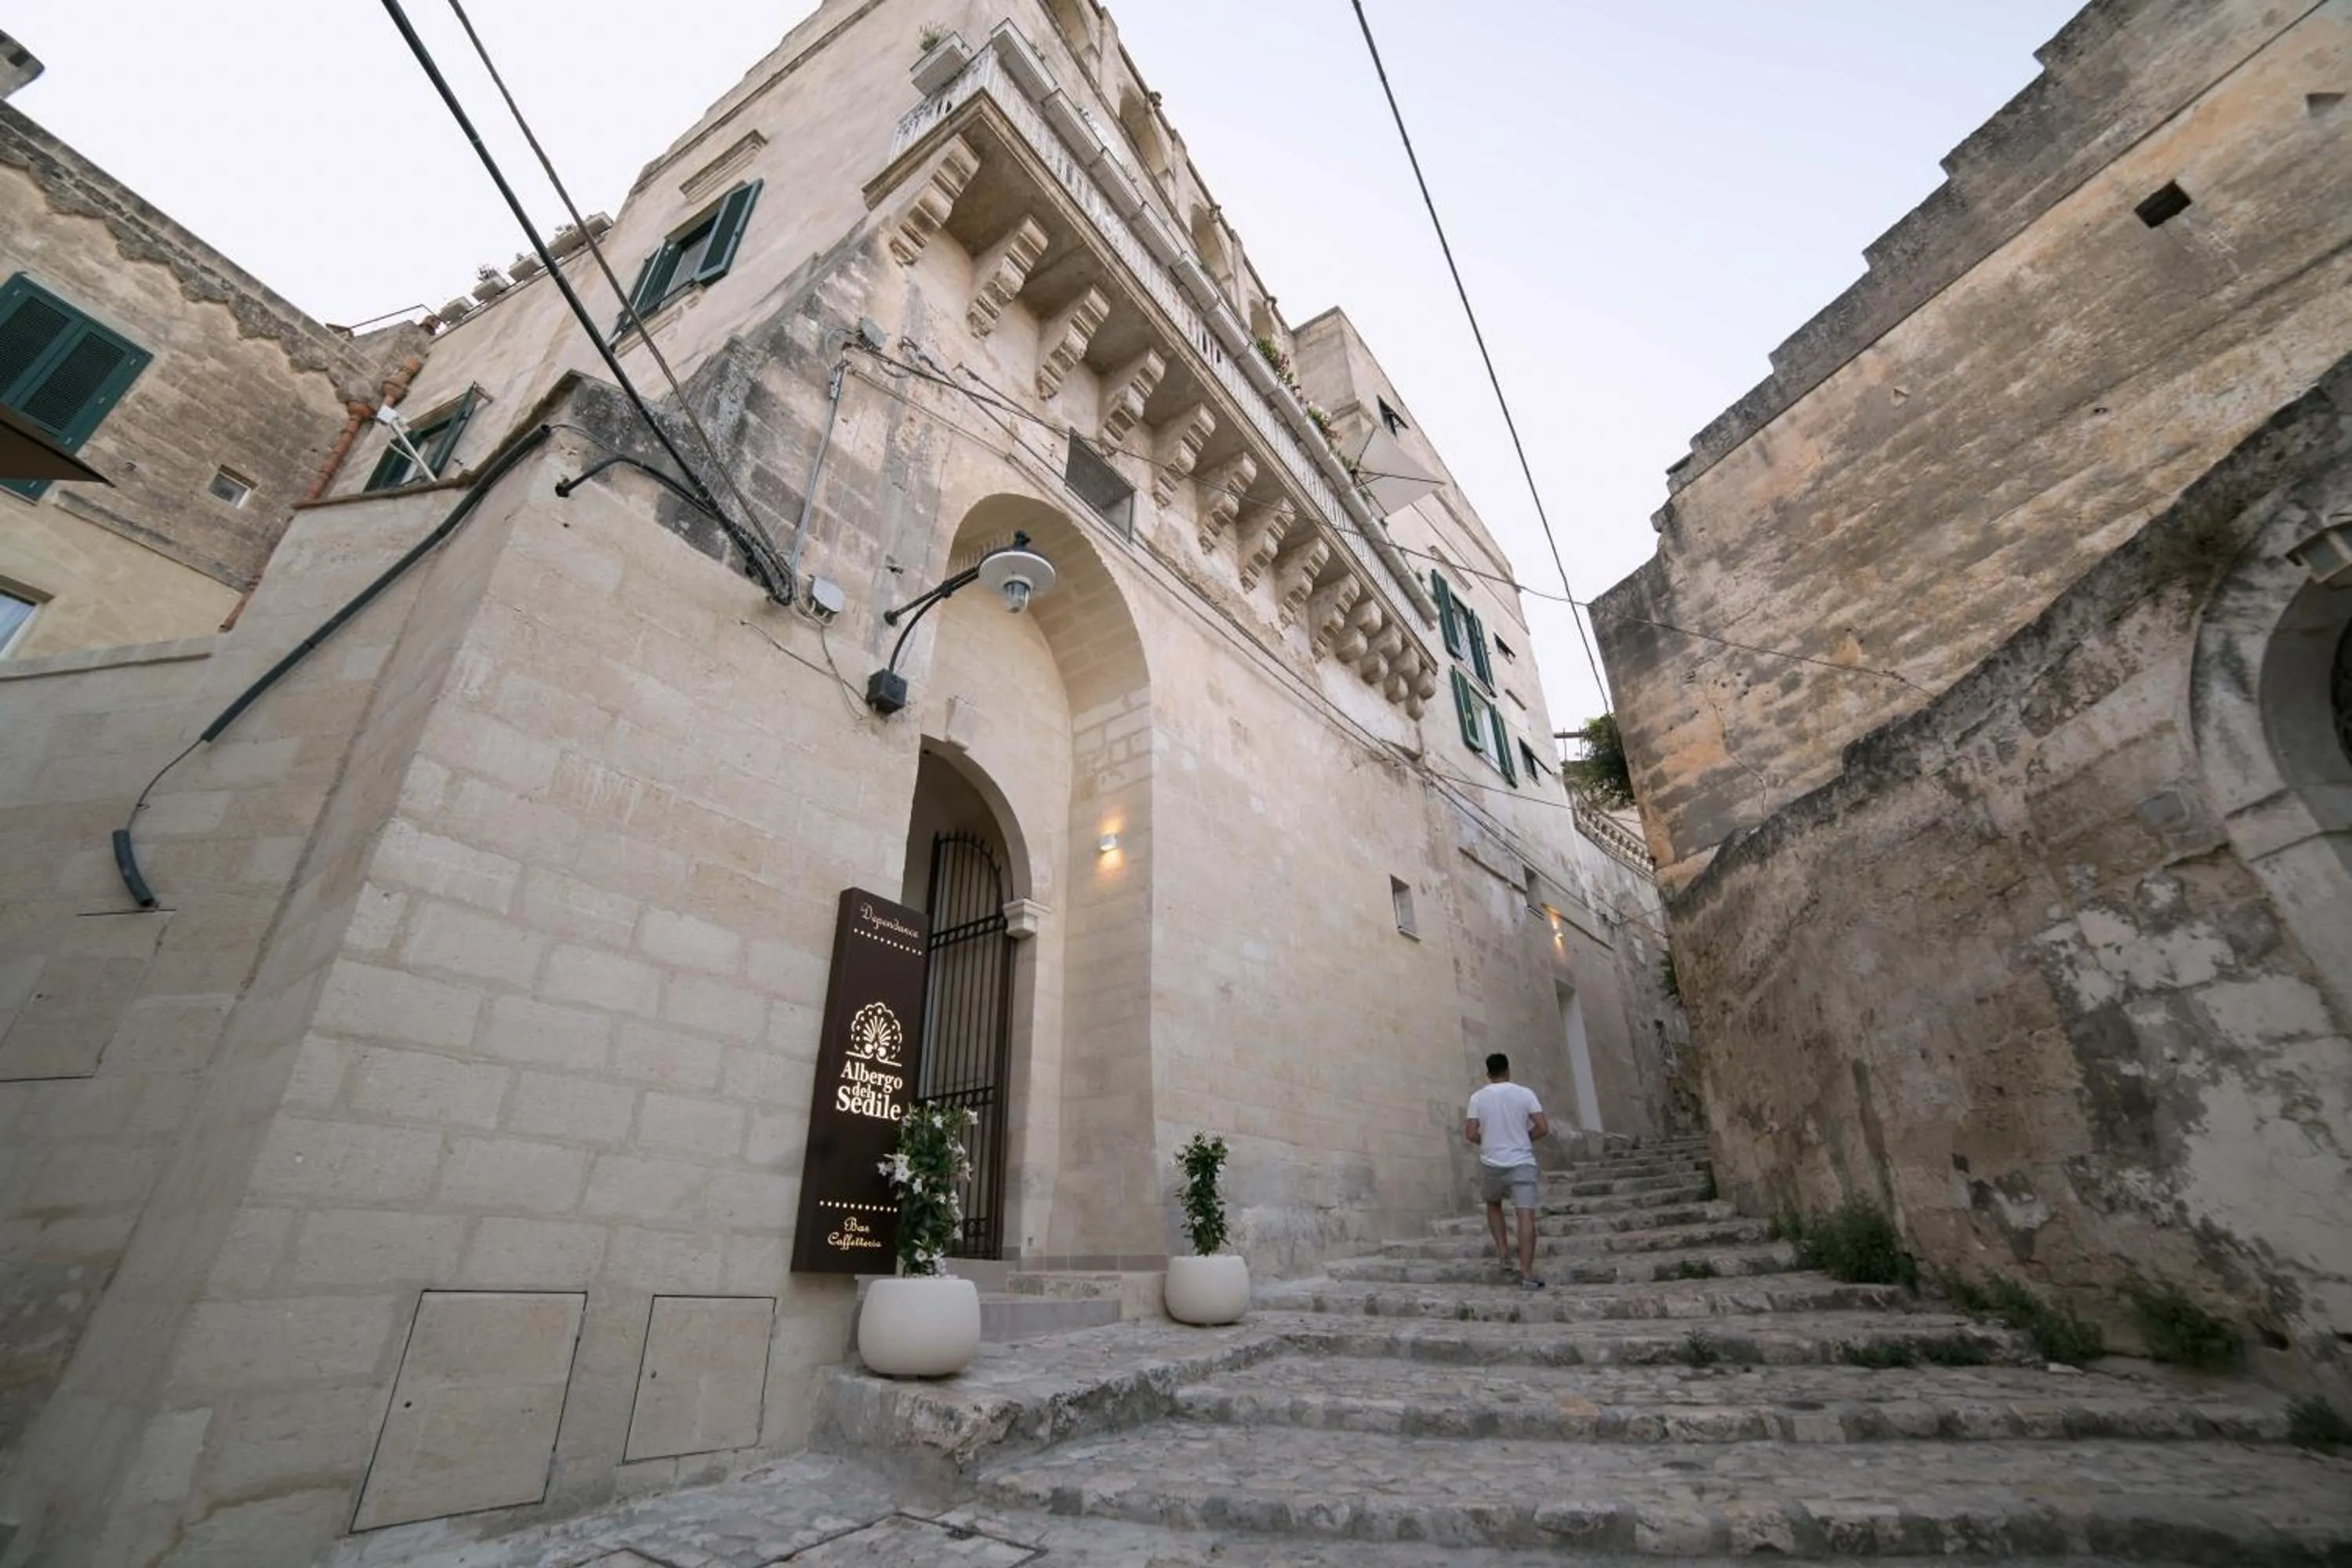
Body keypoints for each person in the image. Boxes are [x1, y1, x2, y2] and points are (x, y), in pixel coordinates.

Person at [1464, 1051, 1551, 1289]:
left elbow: (1470, 1133)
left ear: (1488, 1073)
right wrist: (1524, 1137)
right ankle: (1526, 1273)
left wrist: (1490, 1140)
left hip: (1492, 1162)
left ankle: (1503, 1253)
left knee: (1493, 1204)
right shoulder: (1525, 1094)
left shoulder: (1478, 1098)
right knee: (1525, 1215)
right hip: (1522, 1161)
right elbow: (1543, 1127)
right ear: (1508, 1070)